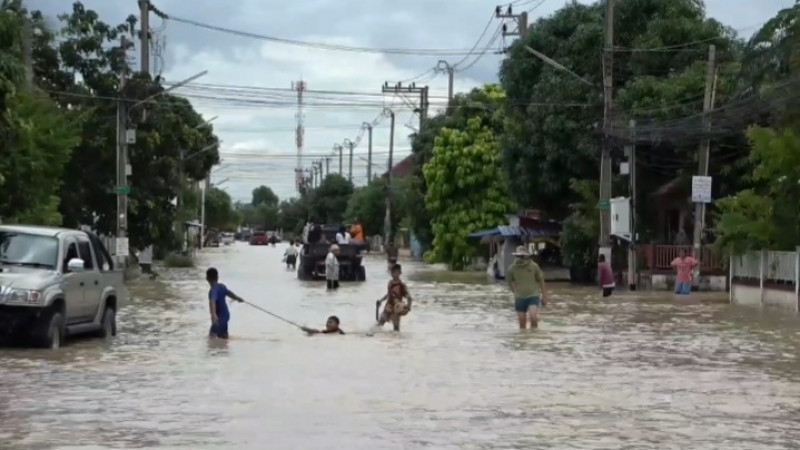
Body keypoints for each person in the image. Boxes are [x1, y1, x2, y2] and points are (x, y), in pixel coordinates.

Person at [506, 245, 547, 329]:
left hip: (533, 295)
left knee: (533, 317)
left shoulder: (534, 266)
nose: (519, 258)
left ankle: (534, 335)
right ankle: (524, 339)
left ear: (526, 256)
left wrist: (544, 296)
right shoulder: (512, 268)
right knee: (522, 323)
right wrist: (515, 291)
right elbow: (509, 282)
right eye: (518, 256)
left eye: (521, 256)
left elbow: (541, 280)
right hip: (520, 297)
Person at [206, 267, 244, 339]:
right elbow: (229, 293)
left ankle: (217, 350)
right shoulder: (222, 286)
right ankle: (224, 350)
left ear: (207, 278)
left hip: (219, 317)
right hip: (226, 315)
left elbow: (212, 301)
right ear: (217, 277)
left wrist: (213, 314)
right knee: (224, 337)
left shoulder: (213, 290)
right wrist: (237, 298)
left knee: (211, 338)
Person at [376, 263, 413, 331]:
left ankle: (397, 341)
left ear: (400, 273)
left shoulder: (402, 286)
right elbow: (389, 294)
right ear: (391, 273)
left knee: (396, 329)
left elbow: (409, 297)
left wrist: (408, 307)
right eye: (394, 272)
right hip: (388, 307)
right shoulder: (390, 283)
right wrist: (381, 300)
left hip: (397, 308)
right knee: (379, 324)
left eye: (397, 272)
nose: (395, 274)